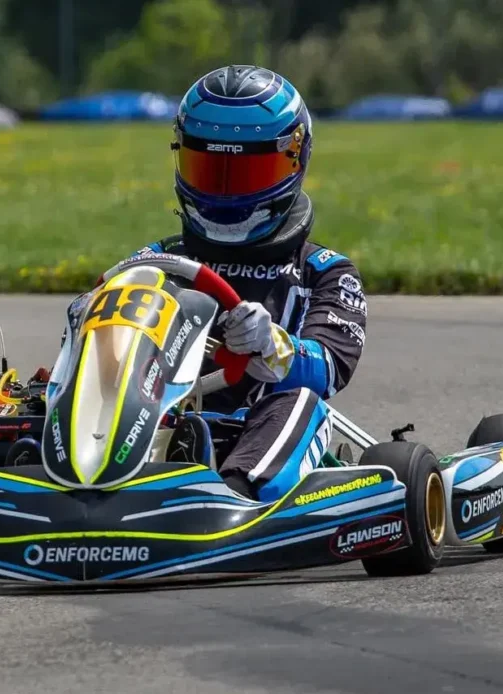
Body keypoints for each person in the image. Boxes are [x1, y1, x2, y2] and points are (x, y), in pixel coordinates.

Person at [63, 65, 367, 503]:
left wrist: (272, 346)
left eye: (244, 174)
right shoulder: (158, 261)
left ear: (293, 161)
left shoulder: (324, 273)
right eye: (209, 170)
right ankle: (26, 475)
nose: (224, 194)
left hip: (246, 434)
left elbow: (328, 369)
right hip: (144, 426)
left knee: (302, 401)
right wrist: (88, 312)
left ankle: (234, 501)